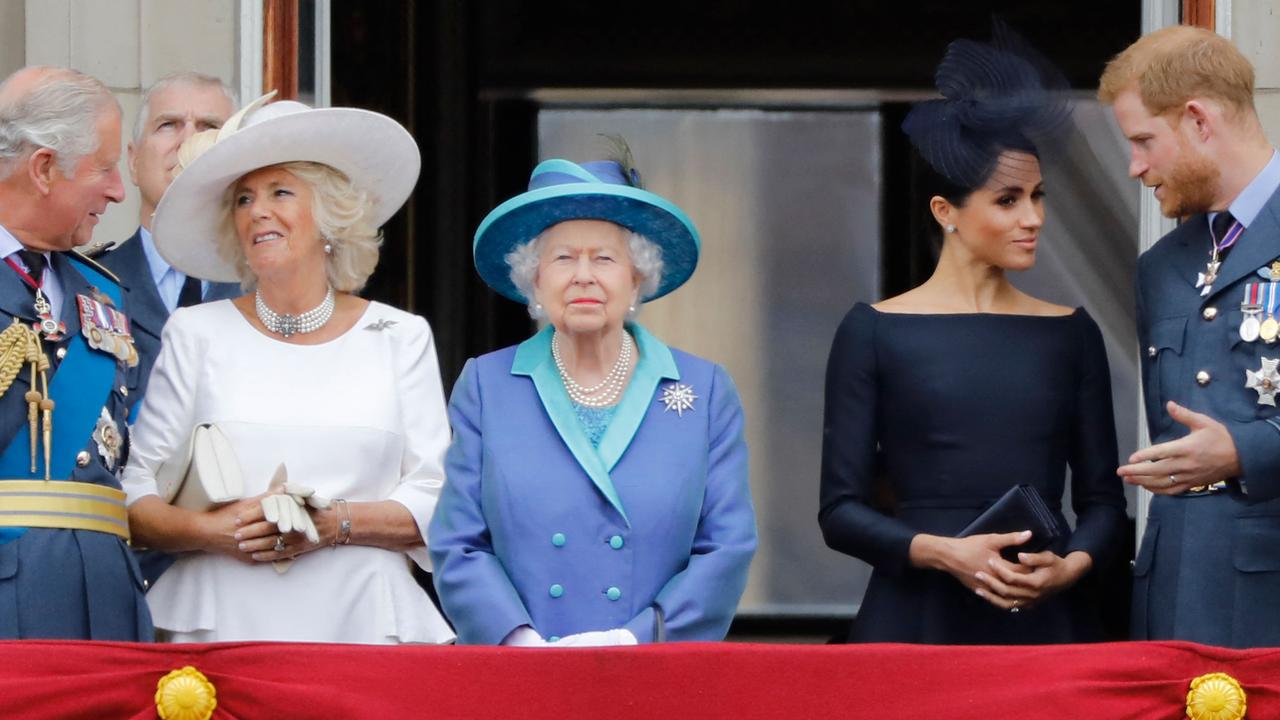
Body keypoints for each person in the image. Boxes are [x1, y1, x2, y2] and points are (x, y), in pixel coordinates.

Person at [818, 30, 1127, 644]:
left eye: (1038, 197)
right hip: (916, 619)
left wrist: (1071, 567)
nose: (1033, 218)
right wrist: (941, 552)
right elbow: (839, 513)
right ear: (945, 212)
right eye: (1008, 200)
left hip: (1046, 621)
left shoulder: (1072, 334)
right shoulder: (873, 330)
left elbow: (1104, 505)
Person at [119, 94, 454, 644]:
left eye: (280, 192)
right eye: (244, 199)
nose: (257, 211)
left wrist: (332, 524)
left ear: (329, 215)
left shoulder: (400, 337)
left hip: (363, 622)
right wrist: (210, 530)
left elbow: (436, 496)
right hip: (220, 625)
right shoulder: (195, 331)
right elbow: (134, 490)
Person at [428, 144, 757, 646]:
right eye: (563, 258)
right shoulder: (487, 386)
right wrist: (517, 641)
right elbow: (459, 543)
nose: (584, 276)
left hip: (651, 671)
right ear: (535, 280)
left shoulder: (704, 390)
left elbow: (727, 547)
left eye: (604, 258)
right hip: (522, 674)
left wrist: (633, 640)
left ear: (637, 279)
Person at [1102, 26, 1280, 648]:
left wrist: (1246, 452)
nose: (1136, 166)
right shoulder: (1162, 266)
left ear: (1199, 121)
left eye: (1145, 140)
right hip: (1172, 592)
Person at [0, 66, 152, 640]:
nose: (118, 190)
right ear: (43, 169)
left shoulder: (103, 291)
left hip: (109, 599)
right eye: (105, 168)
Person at [96, 72, 241, 588]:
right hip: (121, 578)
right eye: (168, 124)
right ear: (132, 161)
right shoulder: (83, 288)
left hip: (243, 578)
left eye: (209, 126)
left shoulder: (275, 294)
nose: (188, 139)